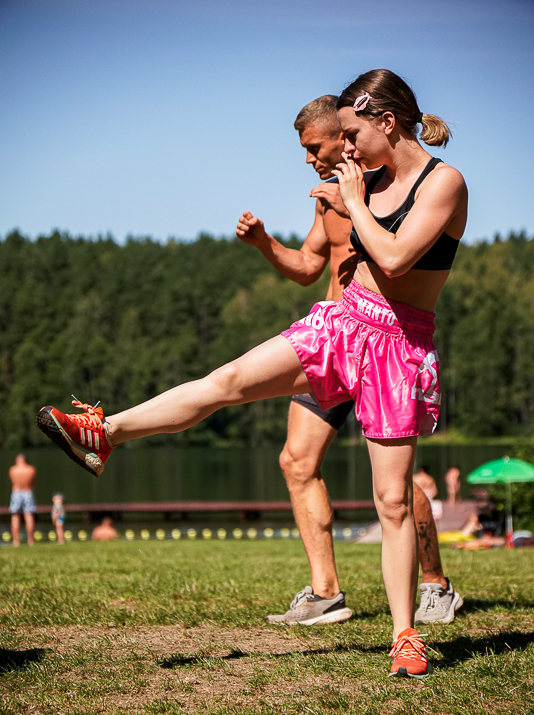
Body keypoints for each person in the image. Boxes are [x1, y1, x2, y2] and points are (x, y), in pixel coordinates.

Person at [37, 69, 468, 679]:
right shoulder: (361, 179)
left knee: (391, 499)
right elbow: (317, 261)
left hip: (398, 347)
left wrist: (350, 203)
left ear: (388, 122)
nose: (344, 148)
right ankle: (103, 433)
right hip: (344, 321)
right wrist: (298, 226)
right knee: (228, 381)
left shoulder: (442, 182)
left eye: (350, 135)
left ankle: (405, 636)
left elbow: (396, 259)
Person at [236, 95, 462, 628]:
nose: (309, 159)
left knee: (393, 485)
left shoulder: (389, 190)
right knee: (296, 461)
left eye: (316, 147)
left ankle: (435, 583)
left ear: (345, 137)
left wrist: (356, 205)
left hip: (384, 348)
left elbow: (401, 258)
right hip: (330, 346)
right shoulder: (327, 199)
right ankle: (325, 591)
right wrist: (265, 243)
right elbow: (307, 266)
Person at [9, 454, 37, 547]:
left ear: (17, 461)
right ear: (25, 460)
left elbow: (13, 481)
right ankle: (30, 540)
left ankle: (15, 541)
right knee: (29, 515)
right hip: (27, 491)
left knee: (15, 515)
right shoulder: (31, 469)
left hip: (16, 492)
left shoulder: (13, 470)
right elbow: (34, 482)